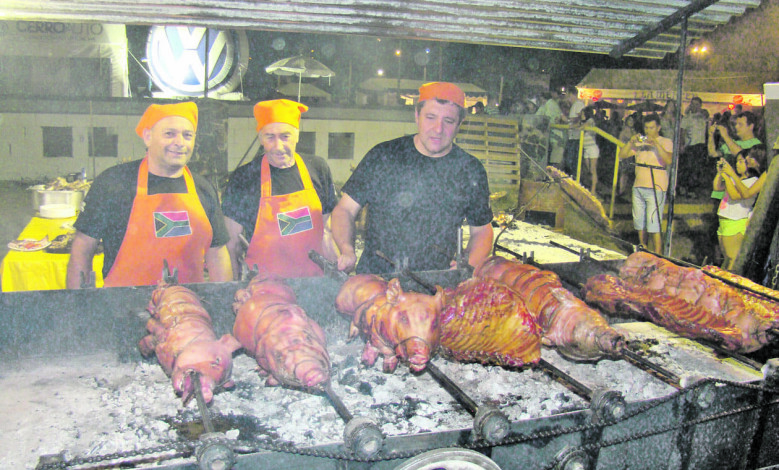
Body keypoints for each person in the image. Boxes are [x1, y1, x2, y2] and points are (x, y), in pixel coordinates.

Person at [331, 82, 494, 274]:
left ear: (460, 124)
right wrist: (347, 250)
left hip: (436, 284)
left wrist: (468, 264)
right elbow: (345, 210)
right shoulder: (383, 156)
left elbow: (482, 230)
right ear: (417, 116)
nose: (438, 129)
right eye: (430, 117)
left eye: (449, 121)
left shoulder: (470, 170)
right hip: (376, 280)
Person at [67, 102, 232, 288]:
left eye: (187, 135)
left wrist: (223, 298)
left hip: (187, 303)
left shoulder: (203, 188)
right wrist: (78, 300)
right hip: (123, 302)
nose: (179, 142)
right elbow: (82, 249)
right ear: (147, 137)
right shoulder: (113, 183)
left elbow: (218, 253)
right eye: (169, 134)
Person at [221, 99, 338, 279]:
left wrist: (337, 275)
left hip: (313, 284)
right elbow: (231, 245)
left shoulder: (318, 168)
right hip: (264, 287)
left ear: (297, 135)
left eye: (285, 136)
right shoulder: (243, 178)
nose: (278, 146)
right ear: (261, 138)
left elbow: (326, 232)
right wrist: (234, 287)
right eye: (270, 137)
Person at [617, 113, 673, 253]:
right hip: (638, 185)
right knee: (639, 222)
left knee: (653, 222)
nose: (648, 131)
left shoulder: (665, 141)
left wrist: (656, 144)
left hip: (656, 185)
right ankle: (643, 249)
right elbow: (622, 155)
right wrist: (631, 142)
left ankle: (658, 254)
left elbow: (668, 160)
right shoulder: (640, 142)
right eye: (646, 128)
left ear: (658, 128)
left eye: (651, 128)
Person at [713, 147, 765, 270]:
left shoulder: (752, 180)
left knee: (732, 258)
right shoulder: (736, 179)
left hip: (735, 222)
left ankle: (729, 281)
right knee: (727, 258)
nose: (737, 164)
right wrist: (721, 173)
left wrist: (728, 175)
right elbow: (717, 187)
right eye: (736, 161)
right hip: (725, 222)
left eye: (741, 161)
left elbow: (735, 195)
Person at [679, 97, 709, 196]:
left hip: (701, 145)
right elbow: (682, 132)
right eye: (693, 104)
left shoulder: (703, 117)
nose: (695, 106)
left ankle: (694, 189)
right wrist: (682, 145)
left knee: (698, 169)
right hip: (691, 146)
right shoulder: (687, 118)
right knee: (690, 168)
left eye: (697, 104)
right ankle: (687, 188)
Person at [535, 89, 565, 168]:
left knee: (555, 160)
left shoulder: (550, 104)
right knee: (554, 159)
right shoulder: (547, 105)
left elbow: (546, 118)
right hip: (552, 137)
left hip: (554, 136)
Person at [562, 89, 586, 175]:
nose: (568, 99)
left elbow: (581, 118)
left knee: (572, 161)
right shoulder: (574, 105)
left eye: (568, 96)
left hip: (576, 137)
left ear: (572, 94)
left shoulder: (578, 104)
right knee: (570, 160)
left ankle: (574, 178)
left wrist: (568, 120)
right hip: (572, 137)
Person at [578, 106, 600, 194]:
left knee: (592, 170)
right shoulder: (584, 122)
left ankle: (593, 190)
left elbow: (582, 127)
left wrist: (579, 125)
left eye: (583, 114)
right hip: (586, 148)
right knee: (588, 170)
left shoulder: (590, 121)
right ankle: (591, 186)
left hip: (592, 148)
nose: (582, 116)